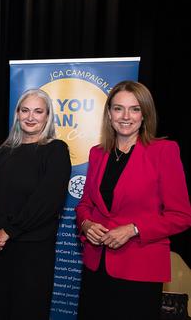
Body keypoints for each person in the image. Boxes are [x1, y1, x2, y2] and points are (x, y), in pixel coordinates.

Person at [76, 80, 191, 320]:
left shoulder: (164, 151)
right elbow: (85, 203)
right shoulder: (98, 153)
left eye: (135, 109)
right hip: (96, 266)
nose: (125, 116)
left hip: (139, 268)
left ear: (144, 114)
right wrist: (86, 224)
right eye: (118, 108)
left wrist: (134, 229)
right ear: (109, 114)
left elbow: (180, 216)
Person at [0, 89, 71, 320]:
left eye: (38, 111)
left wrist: (8, 231)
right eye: (25, 110)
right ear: (17, 114)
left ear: (48, 116)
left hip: (33, 253)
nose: (31, 117)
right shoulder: (4, 151)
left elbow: (46, 203)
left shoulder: (56, 150)